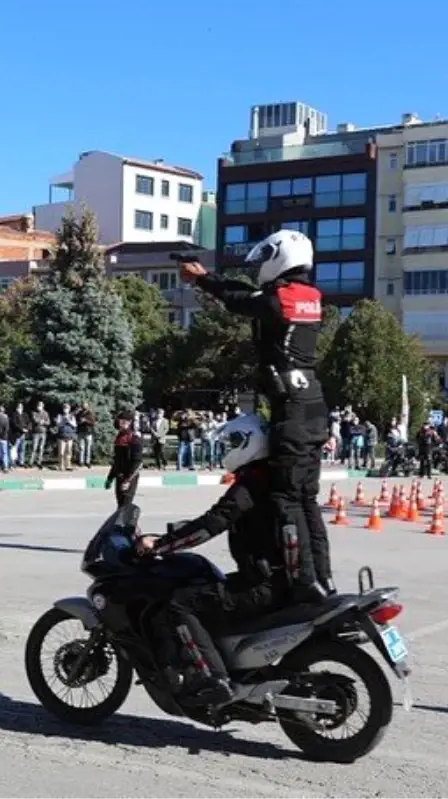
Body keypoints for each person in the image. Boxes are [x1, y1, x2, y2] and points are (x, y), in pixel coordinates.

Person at [174, 231, 332, 601]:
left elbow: (239, 299)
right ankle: (323, 580)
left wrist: (201, 279)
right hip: (313, 407)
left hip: (291, 410)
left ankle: (303, 585)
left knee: (286, 500)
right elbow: (252, 298)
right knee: (307, 500)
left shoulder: (283, 299)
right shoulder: (310, 296)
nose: (261, 267)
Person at [135, 413, 294, 708]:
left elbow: (213, 523)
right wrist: (177, 533)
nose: (228, 448)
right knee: (208, 588)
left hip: (260, 584)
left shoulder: (249, 487)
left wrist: (161, 545)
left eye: (233, 442)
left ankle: (214, 680)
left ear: (250, 443)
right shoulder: (269, 479)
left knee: (178, 604)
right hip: (277, 578)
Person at [105, 409, 143, 507]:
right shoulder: (119, 437)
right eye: (121, 421)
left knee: (126, 506)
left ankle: (130, 523)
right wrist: (110, 477)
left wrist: (128, 480)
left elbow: (138, 462)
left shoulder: (134, 439)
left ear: (130, 423)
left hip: (129, 476)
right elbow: (117, 460)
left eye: (126, 421)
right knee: (120, 505)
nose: (123, 424)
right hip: (119, 475)